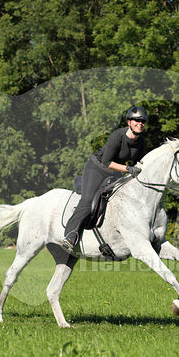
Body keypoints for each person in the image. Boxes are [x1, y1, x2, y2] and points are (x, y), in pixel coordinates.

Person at [61, 106, 148, 253]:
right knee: (88, 200)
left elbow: (140, 162)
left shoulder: (141, 142)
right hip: (97, 168)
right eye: (136, 120)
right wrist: (128, 169)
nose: (140, 123)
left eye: (143, 121)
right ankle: (70, 234)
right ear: (129, 122)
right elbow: (107, 162)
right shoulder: (117, 136)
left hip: (115, 172)